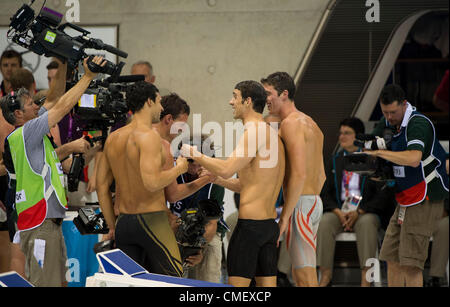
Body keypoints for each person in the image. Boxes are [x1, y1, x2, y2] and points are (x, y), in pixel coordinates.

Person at [0, 56, 105, 287]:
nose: (36, 107)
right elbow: (61, 106)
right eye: (30, 105)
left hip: (47, 223)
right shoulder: (26, 131)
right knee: (46, 284)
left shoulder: (32, 140)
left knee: (58, 284)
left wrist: (94, 146)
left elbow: (59, 163)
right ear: (18, 114)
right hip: (40, 223)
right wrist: (87, 76)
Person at [181, 80, 285, 287]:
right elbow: (244, 185)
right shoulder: (270, 134)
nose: (231, 102)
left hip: (250, 228)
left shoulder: (254, 132)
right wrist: (216, 178)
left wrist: (195, 154)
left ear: (247, 101)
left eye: (235, 96)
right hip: (267, 227)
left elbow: (227, 167)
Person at [96, 81, 188, 277]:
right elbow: (152, 182)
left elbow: (101, 186)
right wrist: (179, 168)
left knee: (130, 282)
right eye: (158, 101)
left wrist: (113, 225)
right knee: (174, 280)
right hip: (152, 219)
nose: (161, 108)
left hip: (124, 223)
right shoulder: (149, 137)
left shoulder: (114, 137)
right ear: (148, 102)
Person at [366, 84, 449, 287]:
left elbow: (413, 158)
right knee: (392, 258)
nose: (389, 116)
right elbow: (372, 145)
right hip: (405, 197)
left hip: (425, 196)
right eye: (385, 112)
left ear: (404, 105)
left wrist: (380, 153)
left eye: (393, 112)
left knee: (411, 264)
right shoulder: (389, 124)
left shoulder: (418, 123)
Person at [261, 72, 326, 287]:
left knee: (306, 278)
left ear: (284, 93)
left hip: (301, 205)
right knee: (300, 275)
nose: (265, 99)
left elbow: (299, 174)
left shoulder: (290, 124)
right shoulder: (312, 124)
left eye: (268, 93)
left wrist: (285, 218)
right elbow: (322, 175)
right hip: (313, 202)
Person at [317, 117, 396, 287]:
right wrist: (337, 211)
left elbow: (382, 194)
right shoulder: (334, 161)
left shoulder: (372, 159)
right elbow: (325, 193)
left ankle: (365, 280)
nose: (342, 137)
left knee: (367, 224)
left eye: (347, 133)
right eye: (340, 133)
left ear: (358, 136)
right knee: (324, 222)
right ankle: (325, 276)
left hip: (364, 212)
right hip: (340, 211)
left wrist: (359, 211)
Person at [170, 135, 228, 283]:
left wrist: (199, 250)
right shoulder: (172, 174)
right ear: (181, 158)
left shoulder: (214, 180)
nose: (195, 168)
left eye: (199, 163)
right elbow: (164, 212)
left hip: (208, 232)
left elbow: (212, 224)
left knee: (208, 275)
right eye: (190, 162)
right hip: (178, 227)